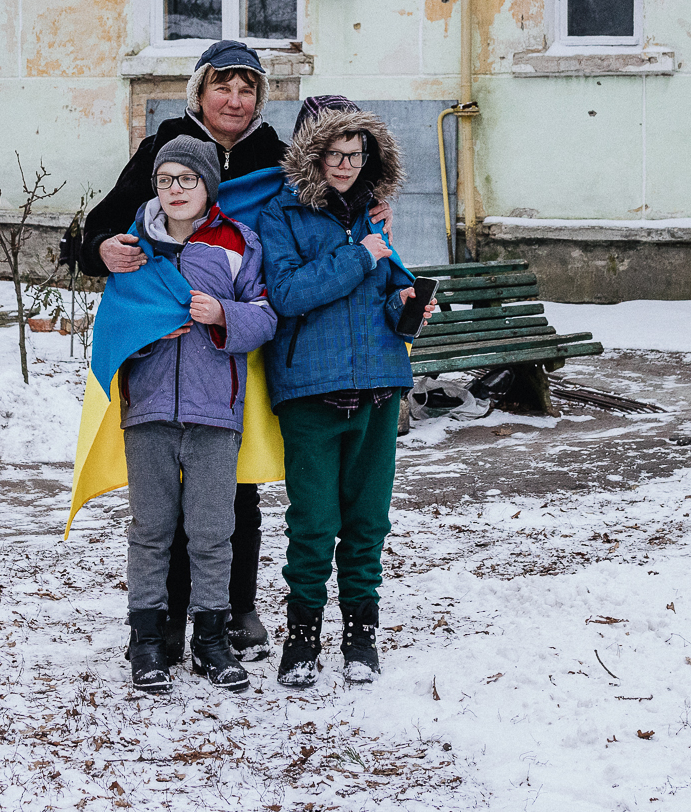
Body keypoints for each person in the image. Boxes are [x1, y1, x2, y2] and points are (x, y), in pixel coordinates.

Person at [77, 40, 290, 660]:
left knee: (235, 486)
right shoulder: (162, 151)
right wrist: (100, 250)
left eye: (247, 88)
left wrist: (371, 210)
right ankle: (167, 615)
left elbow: (326, 203)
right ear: (199, 92)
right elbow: (100, 230)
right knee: (165, 496)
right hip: (164, 352)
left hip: (240, 341)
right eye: (223, 86)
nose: (235, 99)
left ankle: (234, 608)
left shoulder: (276, 158)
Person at [259, 103, 433, 687]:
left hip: (380, 383)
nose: (345, 165)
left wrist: (406, 305)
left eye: (355, 155)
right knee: (313, 522)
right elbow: (287, 293)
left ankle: (361, 633)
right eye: (333, 153)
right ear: (310, 154)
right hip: (311, 388)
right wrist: (362, 253)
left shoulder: (373, 216)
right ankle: (302, 636)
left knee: (367, 521)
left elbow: (384, 293)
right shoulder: (281, 214)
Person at [111, 137, 278, 693]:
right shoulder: (135, 246)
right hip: (149, 410)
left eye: (187, 179)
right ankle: (147, 641)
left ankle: (210, 639)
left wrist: (223, 314)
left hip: (214, 412)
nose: (175, 190)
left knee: (212, 531)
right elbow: (114, 323)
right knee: (151, 530)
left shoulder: (237, 242)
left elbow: (265, 315)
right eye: (165, 180)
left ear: (208, 185)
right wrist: (145, 335)